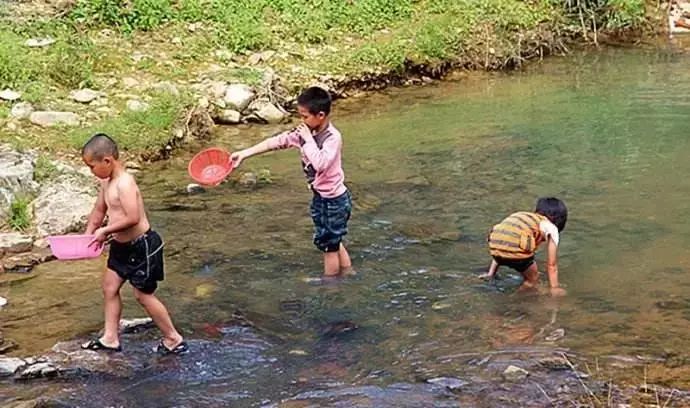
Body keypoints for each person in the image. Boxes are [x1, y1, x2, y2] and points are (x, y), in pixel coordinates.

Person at [80, 133, 187, 354]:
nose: (91, 171)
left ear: (107, 161)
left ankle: (173, 338)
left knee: (142, 295)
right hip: (121, 246)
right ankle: (110, 338)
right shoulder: (106, 182)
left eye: (92, 166)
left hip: (142, 246)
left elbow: (133, 217)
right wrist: (88, 235)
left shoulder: (125, 183)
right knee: (109, 287)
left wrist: (106, 231)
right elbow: (99, 210)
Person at [230, 87, 353, 277]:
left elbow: (320, 164)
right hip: (321, 197)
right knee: (332, 240)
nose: (301, 121)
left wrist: (307, 139)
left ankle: (331, 287)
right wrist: (245, 154)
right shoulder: (306, 132)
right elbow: (278, 141)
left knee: (329, 247)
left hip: (334, 201)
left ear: (320, 115)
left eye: (304, 117)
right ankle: (348, 273)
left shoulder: (332, 138)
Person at [479, 197, 568, 296]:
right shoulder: (551, 228)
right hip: (515, 249)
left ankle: (490, 275)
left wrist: (491, 273)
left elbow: (503, 244)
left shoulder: (523, 217)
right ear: (558, 221)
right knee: (533, 279)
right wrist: (554, 288)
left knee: (507, 243)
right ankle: (514, 298)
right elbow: (552, 265)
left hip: (495, 243)